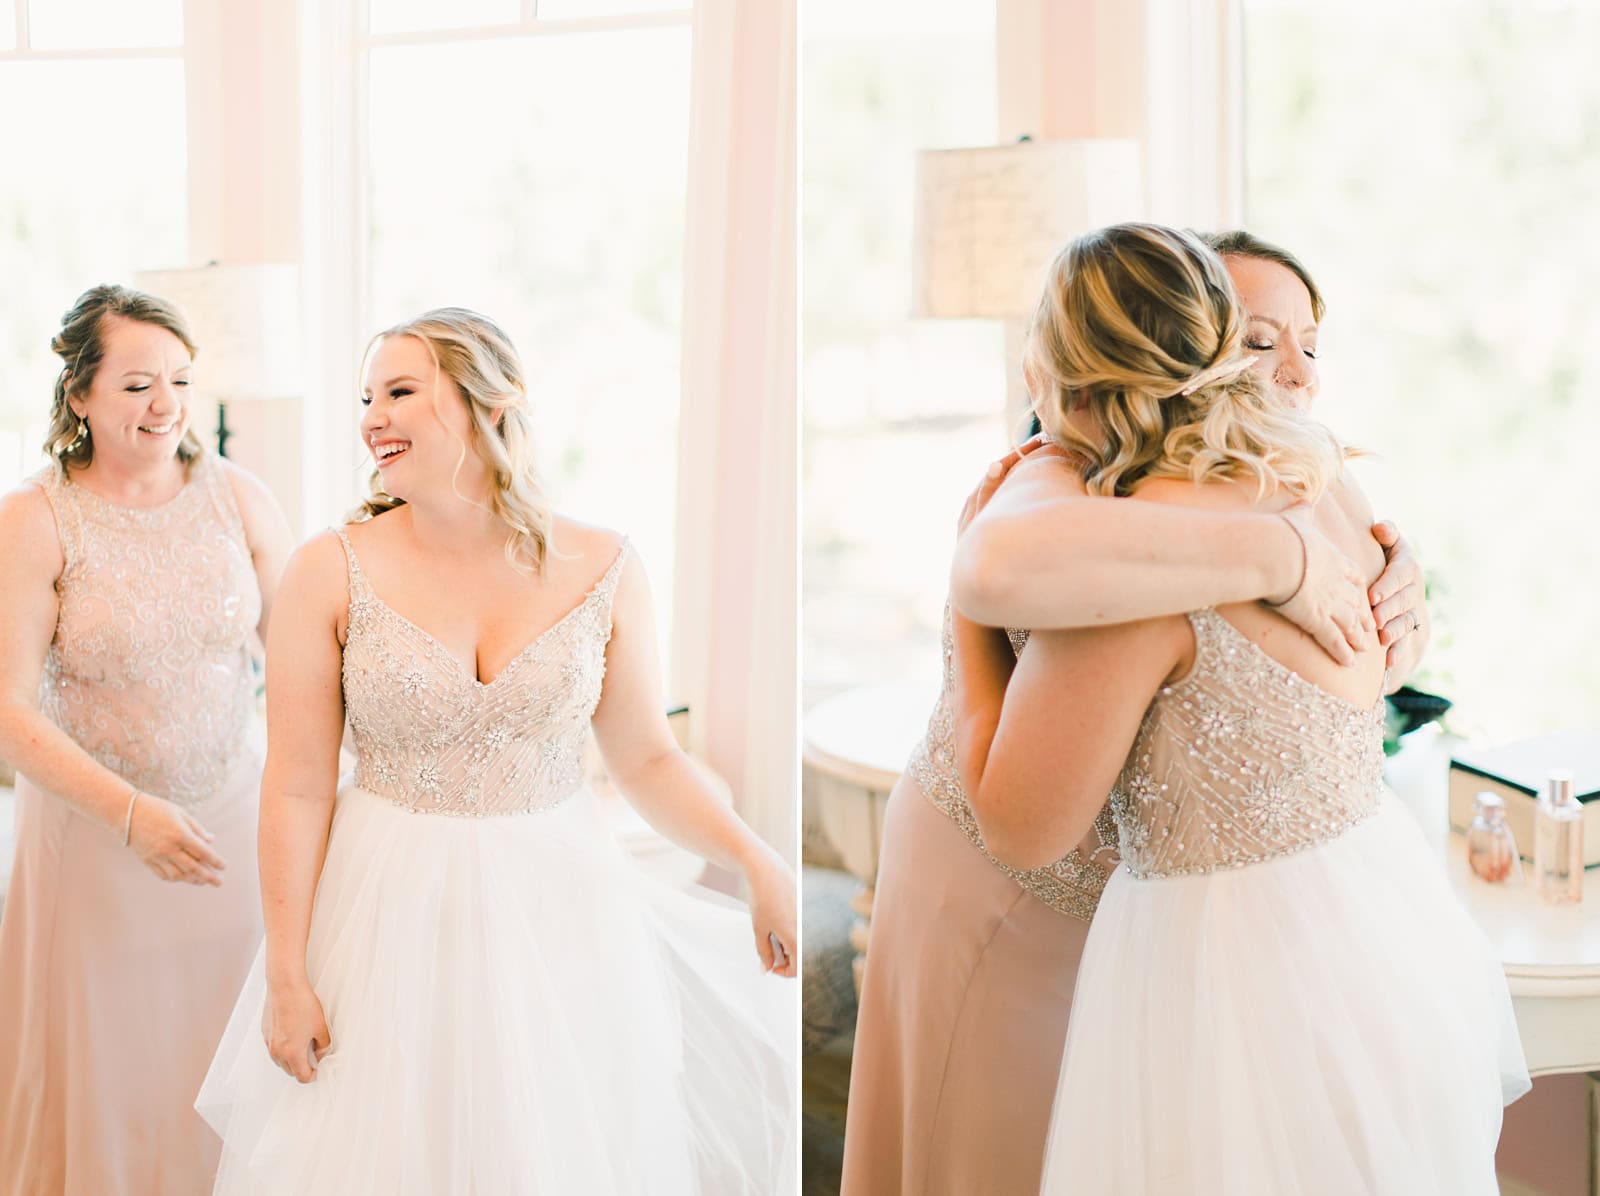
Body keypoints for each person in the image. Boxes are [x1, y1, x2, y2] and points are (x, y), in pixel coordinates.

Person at [837, 231, 1430, 1196]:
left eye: (1309, 345)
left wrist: (1407, 594)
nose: (1292, 373)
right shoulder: (1069, 493)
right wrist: (972, 617)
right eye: (1257, 340)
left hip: (1164, 915)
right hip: (999, 891)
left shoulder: (1311, 477)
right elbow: (994, 581)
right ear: (1198, 343)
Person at [954, 223, 1526, 1194]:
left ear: (1061, 372)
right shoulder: (1322, 480)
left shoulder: (1128, 563)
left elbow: (1019, 824)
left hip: (1228, 987)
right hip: (1381, 938)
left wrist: (967, 636)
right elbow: (1379, 667)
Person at [198, 308, 797, 1194]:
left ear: (493, 403)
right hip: (382, 913)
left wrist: (756, 860)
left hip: (558, 913)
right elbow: (294, 788)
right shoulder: (330, 569)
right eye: (367, 397)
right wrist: (286, 974)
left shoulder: (606, 566)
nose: (373, 417)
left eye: (402, 391)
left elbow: (648, 763)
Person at [0, 284, 292, 1195]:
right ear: (79, 397)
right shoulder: (35, 521)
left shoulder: (240, 499)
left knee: (230, 1061)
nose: (166, 405)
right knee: (117, 1072)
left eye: (180, 379)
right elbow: (8, 712)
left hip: (233, 837)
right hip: (97, 845)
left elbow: (301, 674)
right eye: (135, 385)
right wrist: (132, 816)